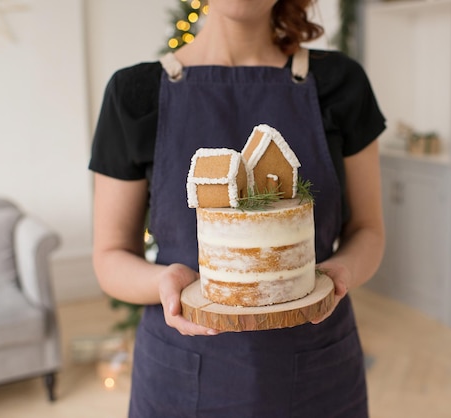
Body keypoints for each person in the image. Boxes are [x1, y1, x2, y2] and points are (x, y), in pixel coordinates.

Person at [89, 0, 386, 416]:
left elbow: (368, 229)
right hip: (182, 375)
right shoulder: (135, 94)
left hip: (317, 371)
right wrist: (164, 282)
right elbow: (109, 256)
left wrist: (343, 272)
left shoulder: (340, 83)